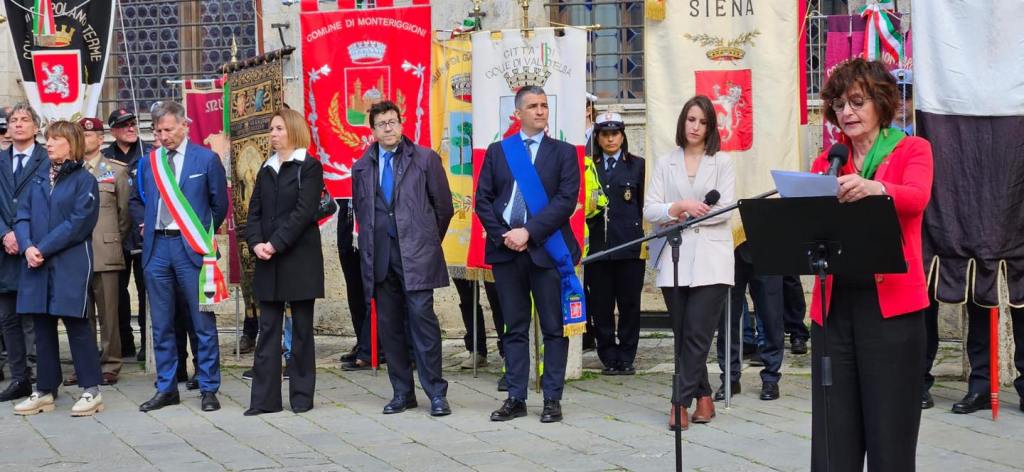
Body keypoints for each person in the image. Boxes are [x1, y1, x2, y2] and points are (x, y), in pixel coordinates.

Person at [809, 58, 933, 471]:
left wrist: (875, 187)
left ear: (881, 103)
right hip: (834, 309)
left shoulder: (912, 149)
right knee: (834, 436)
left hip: (892, 312)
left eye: (857, 102)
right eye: (839, 104)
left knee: (890, 432)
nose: (846, 112)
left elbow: (917, 198)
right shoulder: (828, 162)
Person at [475, 85, 582, 423]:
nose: (540, 111)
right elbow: (483, 200)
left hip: (545, 251)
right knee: (514, 327)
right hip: (506, 252)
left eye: (544, 106)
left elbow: (565, 201)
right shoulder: (498, 151)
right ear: (517, 113)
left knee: (553, 327)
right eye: (533, 106)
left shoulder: (563, 152)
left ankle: (552, 399)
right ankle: (516, 397)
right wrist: (504, 235)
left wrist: (529, 232)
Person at [352, 100, 454, 417]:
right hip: (381, 259)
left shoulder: (424, 159)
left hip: (416, 255)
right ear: (372, 130)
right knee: (390, 328)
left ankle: (436, 393)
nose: (388, 128)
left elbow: (444, 208)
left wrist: (425, 241)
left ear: (401, 123)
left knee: (423, 322)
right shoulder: (362, 167)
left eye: (393, 122)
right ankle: (402, 392)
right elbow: (363, 214)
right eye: (382, 124)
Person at [644, 95, 735, 431]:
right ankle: (704, 397)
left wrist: (692, 213)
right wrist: (678, 206)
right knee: (684, 334)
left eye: (703, 122)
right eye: (691, 120)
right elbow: (650, 209)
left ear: (711, 128)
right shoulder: (666, 162)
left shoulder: (722, 162)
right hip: (676, 256)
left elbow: (726, 208)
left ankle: (678, 402)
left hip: (713, 259)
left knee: (698, 334)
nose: (695, 127)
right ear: (683, 121)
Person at [135, 101, 229, 413]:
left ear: (184, 126)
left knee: (202, 321)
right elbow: (138, 199)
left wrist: (199, 233)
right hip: (157, 248)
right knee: (161, 323)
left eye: (169, 129)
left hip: (191, 247)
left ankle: (208, 387)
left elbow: (219, 205)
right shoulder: (149, 162)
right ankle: (166, 387)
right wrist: (144, 223)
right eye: (158, 131)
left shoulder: (206, 159)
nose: (163, 136)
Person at [12, 120, 102, 416]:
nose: (48, 144)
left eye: (55, 139)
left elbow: (78, 223)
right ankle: (45, 390)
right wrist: (27, 246)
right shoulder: (38, 177)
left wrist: (42, 248)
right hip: (35, 261)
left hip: (69, 262)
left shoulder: (84, 180)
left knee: (76, 324)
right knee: (42, 324)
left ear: (71, 144)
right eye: (47, 138)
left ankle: (91, 390)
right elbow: (21, 215)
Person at [244, 109, 324, 415]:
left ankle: (301, 397)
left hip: (299, 258)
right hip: (268, 259)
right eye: (271, 129)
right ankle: (264, 400)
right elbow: (254, 211)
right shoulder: (266, 168)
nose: (273, 134)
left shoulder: (309, 166)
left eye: (279, 128)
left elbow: (304, 212)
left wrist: (275, 243)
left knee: (301, 329)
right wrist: (256, 243)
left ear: (293, 130)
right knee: (268, 329)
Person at [70, 117, 130, 386]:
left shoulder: (115, 170)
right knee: (81, 315)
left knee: (108, 315)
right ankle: (84, 365)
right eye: (80, 135)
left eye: (88, 134)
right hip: (75, 254)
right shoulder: (70, 170)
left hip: (105, 252)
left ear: (100, 138)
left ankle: (110, 364)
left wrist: (111, 240)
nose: (84, 139)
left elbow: (124, 215)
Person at [585, 112, 645, 376]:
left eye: (615, 133)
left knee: (630, 304)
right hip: (598, 247)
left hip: (629, 246)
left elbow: (642, 205)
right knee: (601, 305)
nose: (610, 139)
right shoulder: (589, 166)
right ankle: (608, 355)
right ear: (597, 137)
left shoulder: (638, 165)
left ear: (622, 136)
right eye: (605, 134)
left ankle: (627, 355)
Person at [0, 103, 45, 402]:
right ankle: (19, 378)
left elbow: (50, 203)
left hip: (35, 249)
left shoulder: (46, 159)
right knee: (9, 318)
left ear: (35, 127)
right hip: (5, 251)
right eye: (13, 120)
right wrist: (4, 233)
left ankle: (43, 376)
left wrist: (24, 237)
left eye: (24, 119)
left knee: (37, 317)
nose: (18, 124)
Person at [103, 108, 152, 360]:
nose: (131, 128)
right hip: (116, 235)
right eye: (124, 125)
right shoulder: (104, 158)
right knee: (116, 293)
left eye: (133, 123)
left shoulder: (150, 153)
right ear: (113, 131)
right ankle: (124, 342)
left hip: (143, 233)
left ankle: (147, 343)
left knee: (146, 290)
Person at [715, 239, 786, 401]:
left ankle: (771, 377)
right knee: (727, 319)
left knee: (771, 316)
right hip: (730, 248)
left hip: (767, 247)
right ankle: (729, 377)